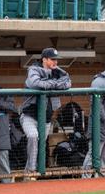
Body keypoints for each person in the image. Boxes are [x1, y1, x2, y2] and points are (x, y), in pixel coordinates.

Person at [20, 48, 71, 179]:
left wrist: (49, 84)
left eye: (56, 59)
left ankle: (28, 175)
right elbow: (34, 83)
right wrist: (54, 84)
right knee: (32, 136)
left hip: (46, 118)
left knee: (40, 145)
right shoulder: (34, 69)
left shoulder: (58, 71)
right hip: (30, 115)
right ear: (44, 59)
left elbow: (68, 82)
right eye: (52, 59)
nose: (55, 62)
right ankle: (31, 170)